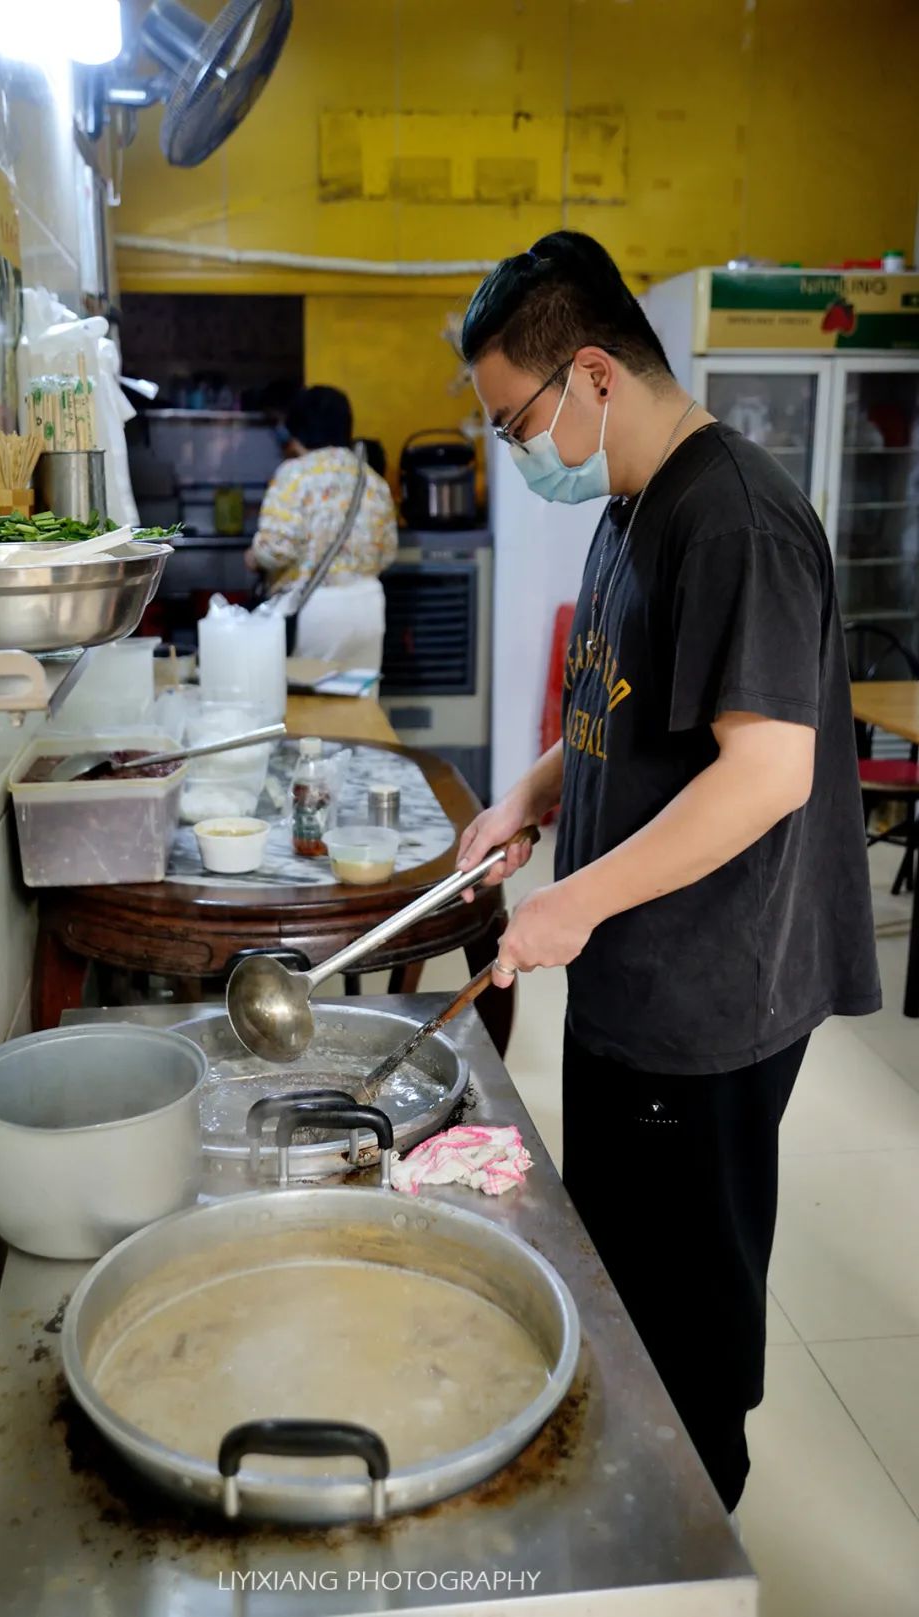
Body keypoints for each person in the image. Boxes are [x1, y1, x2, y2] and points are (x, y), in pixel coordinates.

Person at [456, 230, 881, 1514]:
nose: (513, 450)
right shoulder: (631, 502)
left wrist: (571, 902)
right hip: (635, 974)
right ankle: (633, 1504)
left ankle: (692, 1542)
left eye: (514, 418)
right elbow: (621, 700)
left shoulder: (736, 520)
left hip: (711, 996)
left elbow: (768, 775)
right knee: (621, 1274)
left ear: (592, 373)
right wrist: (530, 798)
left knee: (687, 1316)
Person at [245, 386, 398, 668]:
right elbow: (387, 553)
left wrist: (254, 556)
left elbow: (277, 549)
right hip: (368, 607)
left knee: (307, 704)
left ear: (296, 428)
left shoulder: (294, 473)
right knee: (360, 704)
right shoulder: (373, 480)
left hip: (315, 611)